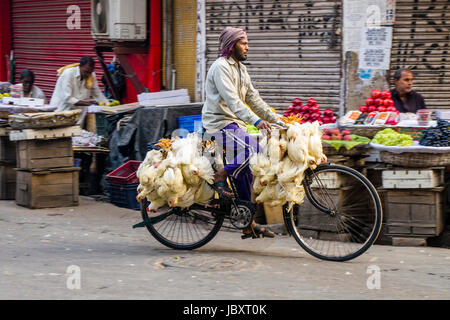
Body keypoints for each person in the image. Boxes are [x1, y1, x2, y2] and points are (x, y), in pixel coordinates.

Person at [202, 26, 285, 239]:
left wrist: (276, 119)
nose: (248, 47)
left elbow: (253, 99)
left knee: (246, 171)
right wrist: (256, 121)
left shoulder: (240, 69)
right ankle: (221, 175)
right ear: (232, 46)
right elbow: (233, 101)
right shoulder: (221, 67)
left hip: (234, 124)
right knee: (253, 149)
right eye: (244, 43)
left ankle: (248, 223)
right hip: (218, 125)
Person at [50, 56, 108, 125]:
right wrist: (89, 104)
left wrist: (107, 105)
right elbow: (67, 98)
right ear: (80, 66)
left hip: (79, 115)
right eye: (86, 72)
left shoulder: (91, 75)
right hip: (62, 110)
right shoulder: (68, 74)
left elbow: (97, 94)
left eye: (90, 72)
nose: (88, 74)